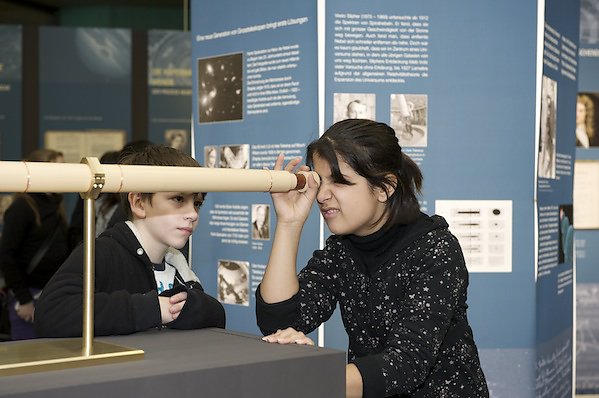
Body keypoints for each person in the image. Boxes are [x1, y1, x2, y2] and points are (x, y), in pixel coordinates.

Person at [256, 119, 489, 397]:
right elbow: (280, 321)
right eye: (320, 181)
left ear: (384, 188)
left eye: (340, 182)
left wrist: (313, 382)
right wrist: (289, 223)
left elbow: (405, 363)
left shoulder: (435, 249)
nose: (322, 195)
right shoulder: (341, 250)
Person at [35, 145, 225, 337]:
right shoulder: (101, 253)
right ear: (138, 203)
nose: (192, 214)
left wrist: (187, 307)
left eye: (197, 203)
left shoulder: (177, 263)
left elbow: (216, 316)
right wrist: (153, 309)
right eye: (178, 199)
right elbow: (51, 314)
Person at [0, 149, 70, 340]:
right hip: (28, 298)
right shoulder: (22, 207)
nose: (65, 174)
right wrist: (24, 300)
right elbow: (7, 256)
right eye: (58, 168)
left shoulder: (55, 205)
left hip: (51, 295)